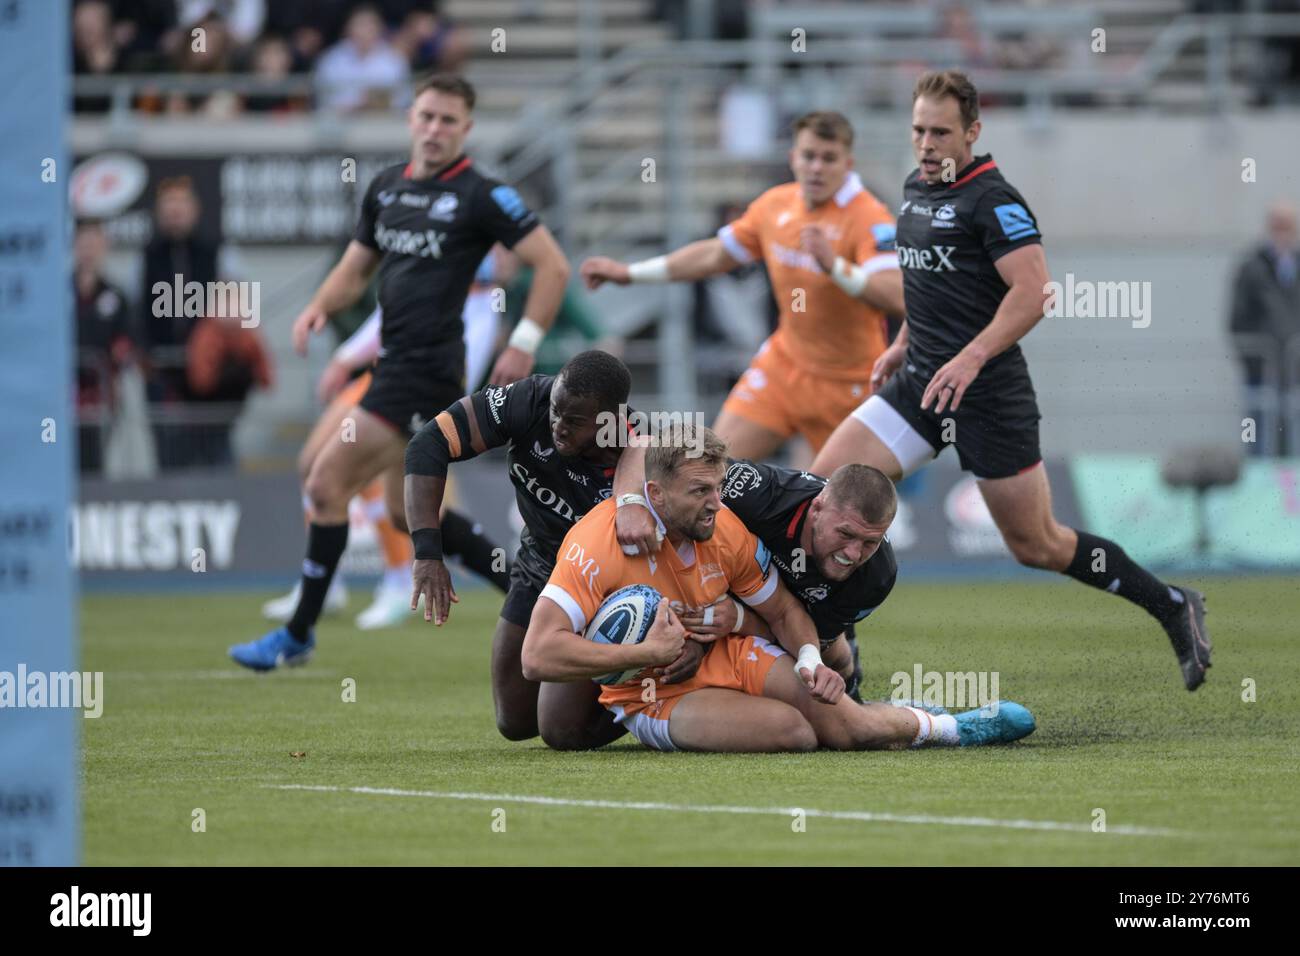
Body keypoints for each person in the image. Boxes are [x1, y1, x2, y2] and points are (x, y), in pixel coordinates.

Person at [811, 69, 1212, 691]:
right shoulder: (916, 187)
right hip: (919, 385)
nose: (926, 143)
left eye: (940, 132)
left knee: (1039, 545)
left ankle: (1172, 604)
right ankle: (845, 661)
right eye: (918, 129)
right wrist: (902, 343)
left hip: (988, 397)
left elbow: (1034, 293)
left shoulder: (992, 200)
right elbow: (930, 286)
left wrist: (970, 358)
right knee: (823, 493)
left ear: (972, 131)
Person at [229, 73, 569, 671]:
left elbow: (553, 267)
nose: (435, 129)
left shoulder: (483, 196)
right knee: (410, 514)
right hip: (394, 366)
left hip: (427, 371)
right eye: (427, 117)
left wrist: (523, 342)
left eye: (448, 120)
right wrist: (318, 308)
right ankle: (543, 602)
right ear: (410, 119)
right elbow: (357, 269)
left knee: (324, 485)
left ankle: (300, 632)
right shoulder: (385, 189)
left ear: (466, 128)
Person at [522, 423, 1036, 753]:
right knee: (795, 732)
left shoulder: (725, 527)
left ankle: (952, 727)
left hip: (733, 649)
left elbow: (787, 611)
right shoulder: (596, 541)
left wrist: (810, 661)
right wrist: (646, 651)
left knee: (843, 725)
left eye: (718, 489)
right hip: (651, 694)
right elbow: (537, 656)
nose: (715, 504)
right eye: (700, 491)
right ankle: (898, 715)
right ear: (654, 493)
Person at [580, 111, 905, 460]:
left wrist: (837, 268)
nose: (817, 168)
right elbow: (715, 255)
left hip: (849, 383)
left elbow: (898, 295)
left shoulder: (869, 217)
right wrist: (630, 273)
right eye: (809, 156)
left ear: (848, 163)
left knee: (833, 503)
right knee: (712, 468)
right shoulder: (774, 206)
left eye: (829, 159)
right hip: (784, 367)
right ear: (793, 157)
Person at [405, 351, 672, 749]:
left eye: (574, 421)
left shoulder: (640, 451)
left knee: (561, 730)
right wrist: (427, 553)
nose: (558, 427)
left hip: (608, 588)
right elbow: (428, 443)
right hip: (540, 566)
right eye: (556, 412)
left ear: (609, 422)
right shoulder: (529, 401)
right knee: (514, 721)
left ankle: (663, 694)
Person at [262, 253, 511, 630]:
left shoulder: (480, 305)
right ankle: (328, 588)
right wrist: (345, 359)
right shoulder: (423, 267)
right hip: (382, 380)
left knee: (396, 504)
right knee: (318, 468)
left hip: (415, 394)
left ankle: (393, 580)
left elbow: (466, 367)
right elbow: (386, 318)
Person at [614, 449, 898, 702]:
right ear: (817, 509)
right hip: (738, 584)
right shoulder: (753, 491)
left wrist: (739, 619)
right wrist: (629, 502)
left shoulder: (877, 576)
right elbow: (647, 444)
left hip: (794, 611)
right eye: (845, 534)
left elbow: (797, 634)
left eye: (869, 543)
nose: (852, 553)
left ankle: (851, 693)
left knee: (830, 655)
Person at [1229, 200, 1300, 455]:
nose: (1283, 233)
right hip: (1262, 370)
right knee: (1259, 425)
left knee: (1292, 428)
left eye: (1287, 226)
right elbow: (1237, 320)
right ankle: (1259, 484)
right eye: (1278, 226)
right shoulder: (1252, 268)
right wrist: (1254, 359)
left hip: (1295, 372)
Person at [74, 219, 136, 474]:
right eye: (83, 243)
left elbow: (127, 339)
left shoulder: (115, 295)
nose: (88, 250)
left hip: (100, 395)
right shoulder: (57, 291)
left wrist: (119, 355)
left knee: (94, 461)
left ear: (104, 247)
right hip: (63, 397)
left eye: (94, 243)